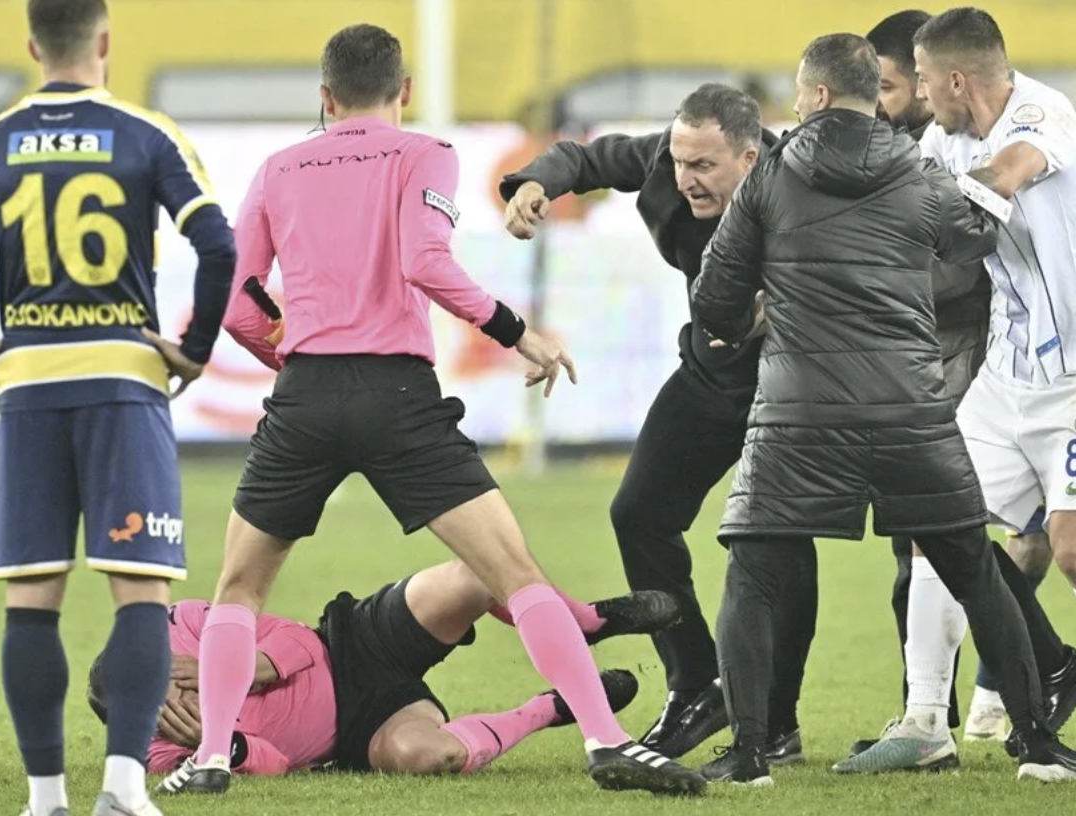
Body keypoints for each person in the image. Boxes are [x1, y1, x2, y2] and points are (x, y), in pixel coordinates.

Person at [157, 24, 708, 798]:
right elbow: (424, 261)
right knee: (512, 573)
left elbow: (241, 307)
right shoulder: (426, 154)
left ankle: (213, 757)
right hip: (398, 394)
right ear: (405, 91)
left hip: (306, 394)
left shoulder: (279, 168)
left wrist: (298, 364)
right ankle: (606, 739)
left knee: (239, 590)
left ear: (325, 96)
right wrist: (518, 333)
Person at [0, 2, 236, 814]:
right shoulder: (146, 134)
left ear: (33, 46)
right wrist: (195, 347)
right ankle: (124, 787)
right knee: (139, 590)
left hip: (29, 387)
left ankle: (45, 799)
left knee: (31, 599)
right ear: (105, 41)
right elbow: (217, 244)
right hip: (123, 381)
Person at [691, 31, 1076, 786]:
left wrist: (741, 324)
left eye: (799, 92)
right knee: (974, 567)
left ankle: (749, 753)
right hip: (911, 409)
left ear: (818, 94)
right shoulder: (921, 170)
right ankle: (1036, 744)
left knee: (753, 574)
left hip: (798, 413)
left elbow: (716, 296)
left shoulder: (770, 175)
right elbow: (970, 242)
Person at [497, 84, 811, 763]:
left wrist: (787, 305)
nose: (684, 178)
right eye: (679, 161)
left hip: (790, 384)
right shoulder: (666, 160)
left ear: (751, 158)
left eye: (704, 166)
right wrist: (533, 184)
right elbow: (585, 158)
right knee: (639, 513)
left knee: (776, 542)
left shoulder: (804, 179)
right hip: (709, 374)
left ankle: (776, 723)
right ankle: (695, 683)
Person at [838, 9, 1076, 774]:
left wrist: (938, 208)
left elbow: (1009, 173)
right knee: (935, 520)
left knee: (1069, 549)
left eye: (920, 80)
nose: (914, 96)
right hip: (1007, 375)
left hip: (1074, 380)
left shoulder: (1041, 114)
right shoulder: (941, 141)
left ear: (954, 80)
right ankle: (924, 723)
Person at [88, 563, 682, 776]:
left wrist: (247, 666)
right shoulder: (162, 753)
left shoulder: (183, 623)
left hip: (351, 644)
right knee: (431, 757)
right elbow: (279, 765)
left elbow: (297, 638)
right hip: (359, 729)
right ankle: (550, 708)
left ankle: (583, 621)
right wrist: (227, 748)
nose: (169, 705)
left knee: (473, 575)